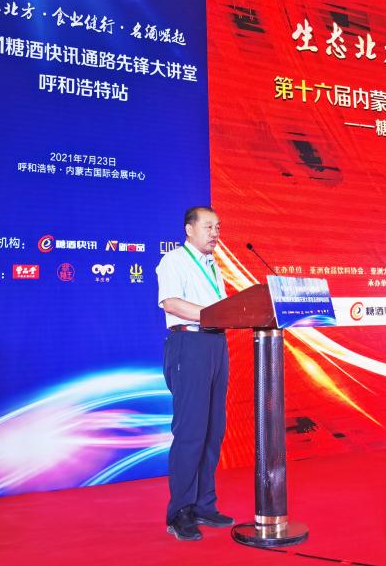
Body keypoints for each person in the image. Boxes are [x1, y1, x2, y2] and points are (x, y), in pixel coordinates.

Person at [156, 206, 235, 541]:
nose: (215, 233)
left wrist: (225, 315)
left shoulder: (213, 266)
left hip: (216, 344)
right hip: (188, 344)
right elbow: (171, 303)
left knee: (213, 430)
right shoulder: (173, 260)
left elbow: (221, 307)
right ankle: (180, 512)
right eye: (208, 227)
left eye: (218, 227)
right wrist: (215, 313)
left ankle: (204, 504)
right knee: (190, 431)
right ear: (189, 229)